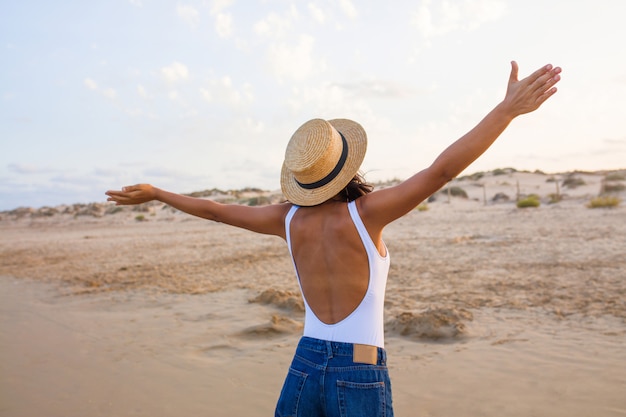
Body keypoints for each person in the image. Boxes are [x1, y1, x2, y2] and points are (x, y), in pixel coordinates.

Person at [106, 61, 561, 417]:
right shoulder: (368, 213)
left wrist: (157, 194)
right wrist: (507, 111)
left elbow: (215, 211)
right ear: (346, 164)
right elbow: (442, 169)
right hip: (358, 367)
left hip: (304, 364)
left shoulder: (286, 219)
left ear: (302, 180)